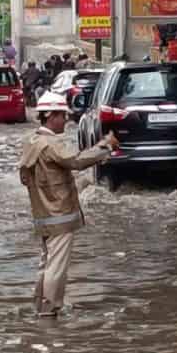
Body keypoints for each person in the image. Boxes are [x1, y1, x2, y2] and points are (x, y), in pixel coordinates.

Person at [18, 92, 118, 318]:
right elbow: (78, 160)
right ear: (50, 116)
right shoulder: (51, 144)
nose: (66, 120)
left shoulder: (31, 142)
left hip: (43, 215)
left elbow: (25, 178)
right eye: (62, 115)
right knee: (56, 267)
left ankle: (40, 305)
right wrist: (106, 146)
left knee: (46, 263)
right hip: (59, 215)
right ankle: (50, 309)